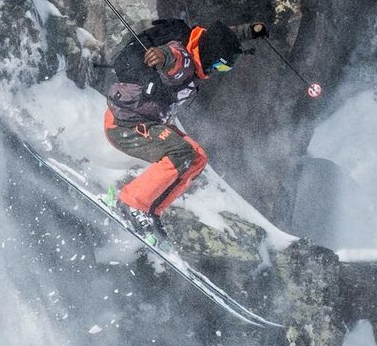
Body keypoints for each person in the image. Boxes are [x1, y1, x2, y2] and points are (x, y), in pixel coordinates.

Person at [101, 18, 266, 236]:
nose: (217, 71)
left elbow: (221, 35)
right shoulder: (186, 60)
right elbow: (174, 58)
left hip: (144, 122)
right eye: (220, 65)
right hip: (126, 126)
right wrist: (164, 56)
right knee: (179, 152)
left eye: (224, 68)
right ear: (211, 55)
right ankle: (131, 203)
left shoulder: (198, 46)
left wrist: (250, 30)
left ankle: (150, 211)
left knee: (197, 157)